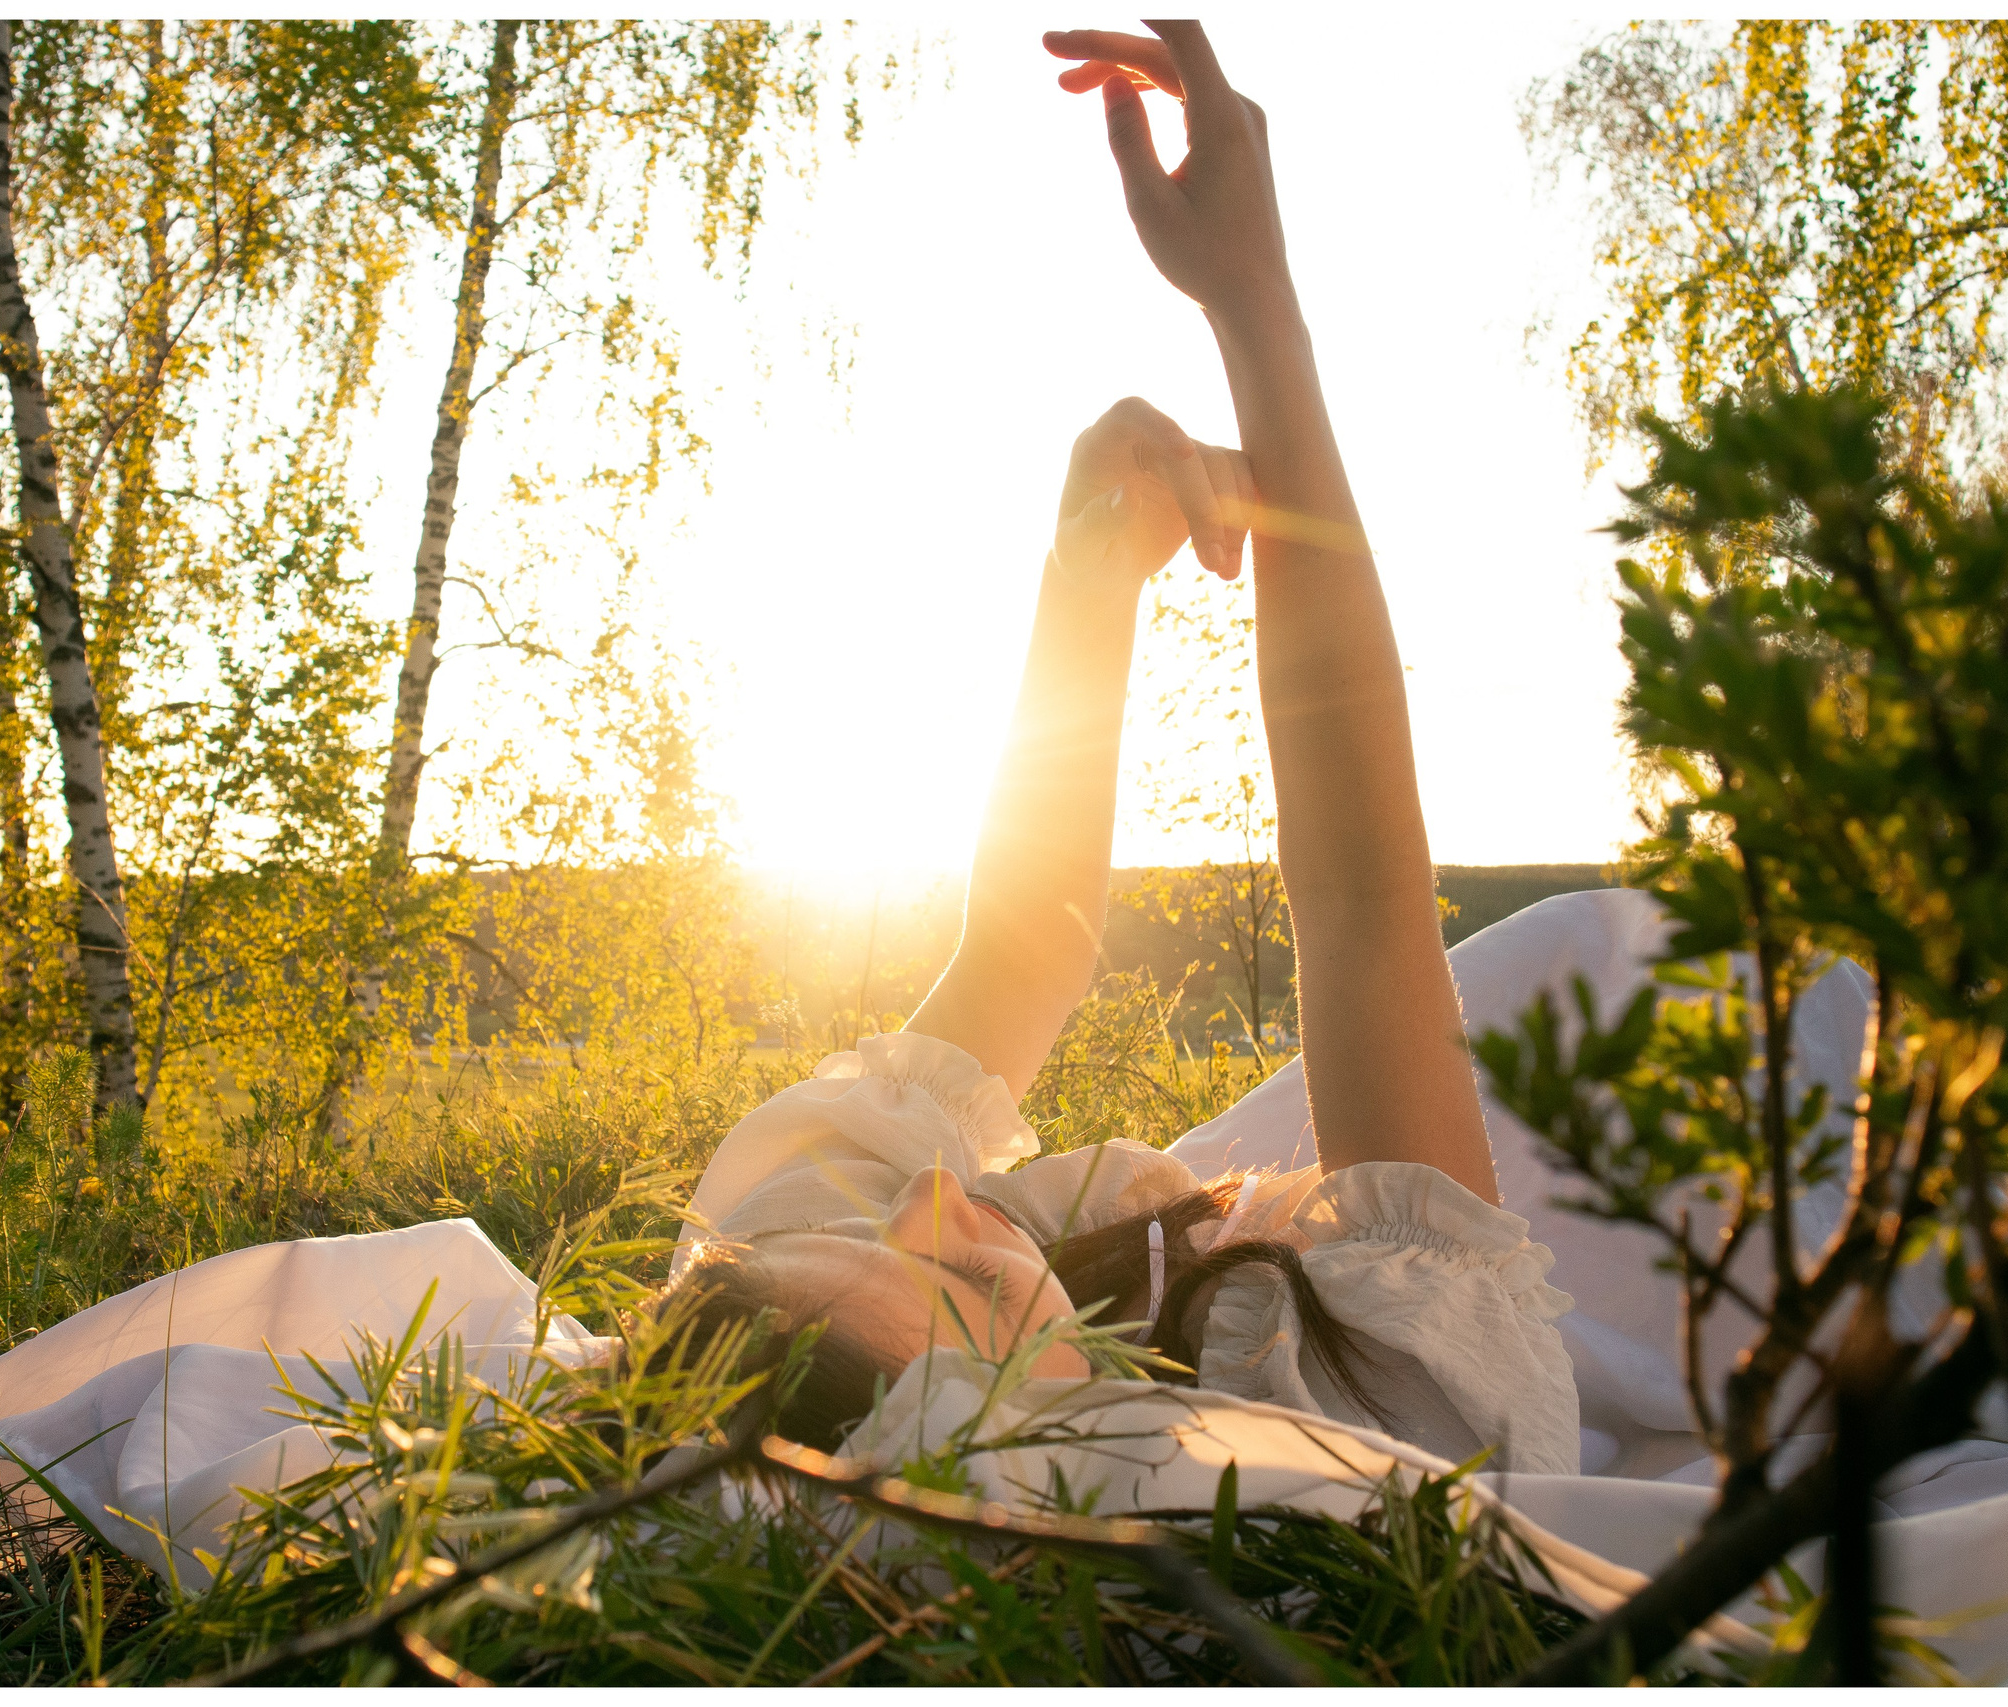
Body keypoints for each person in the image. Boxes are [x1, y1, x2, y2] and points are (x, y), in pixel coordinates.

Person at [649, 21, 1579, 1475]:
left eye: (871, 1228)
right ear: (1061, 1436)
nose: (933, 1203)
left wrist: (1090, 567)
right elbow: (1362, 905)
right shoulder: (1384, 1411)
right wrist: (1257, 308)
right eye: (963, 1288)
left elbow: (1029, 947)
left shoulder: (765, 1285)